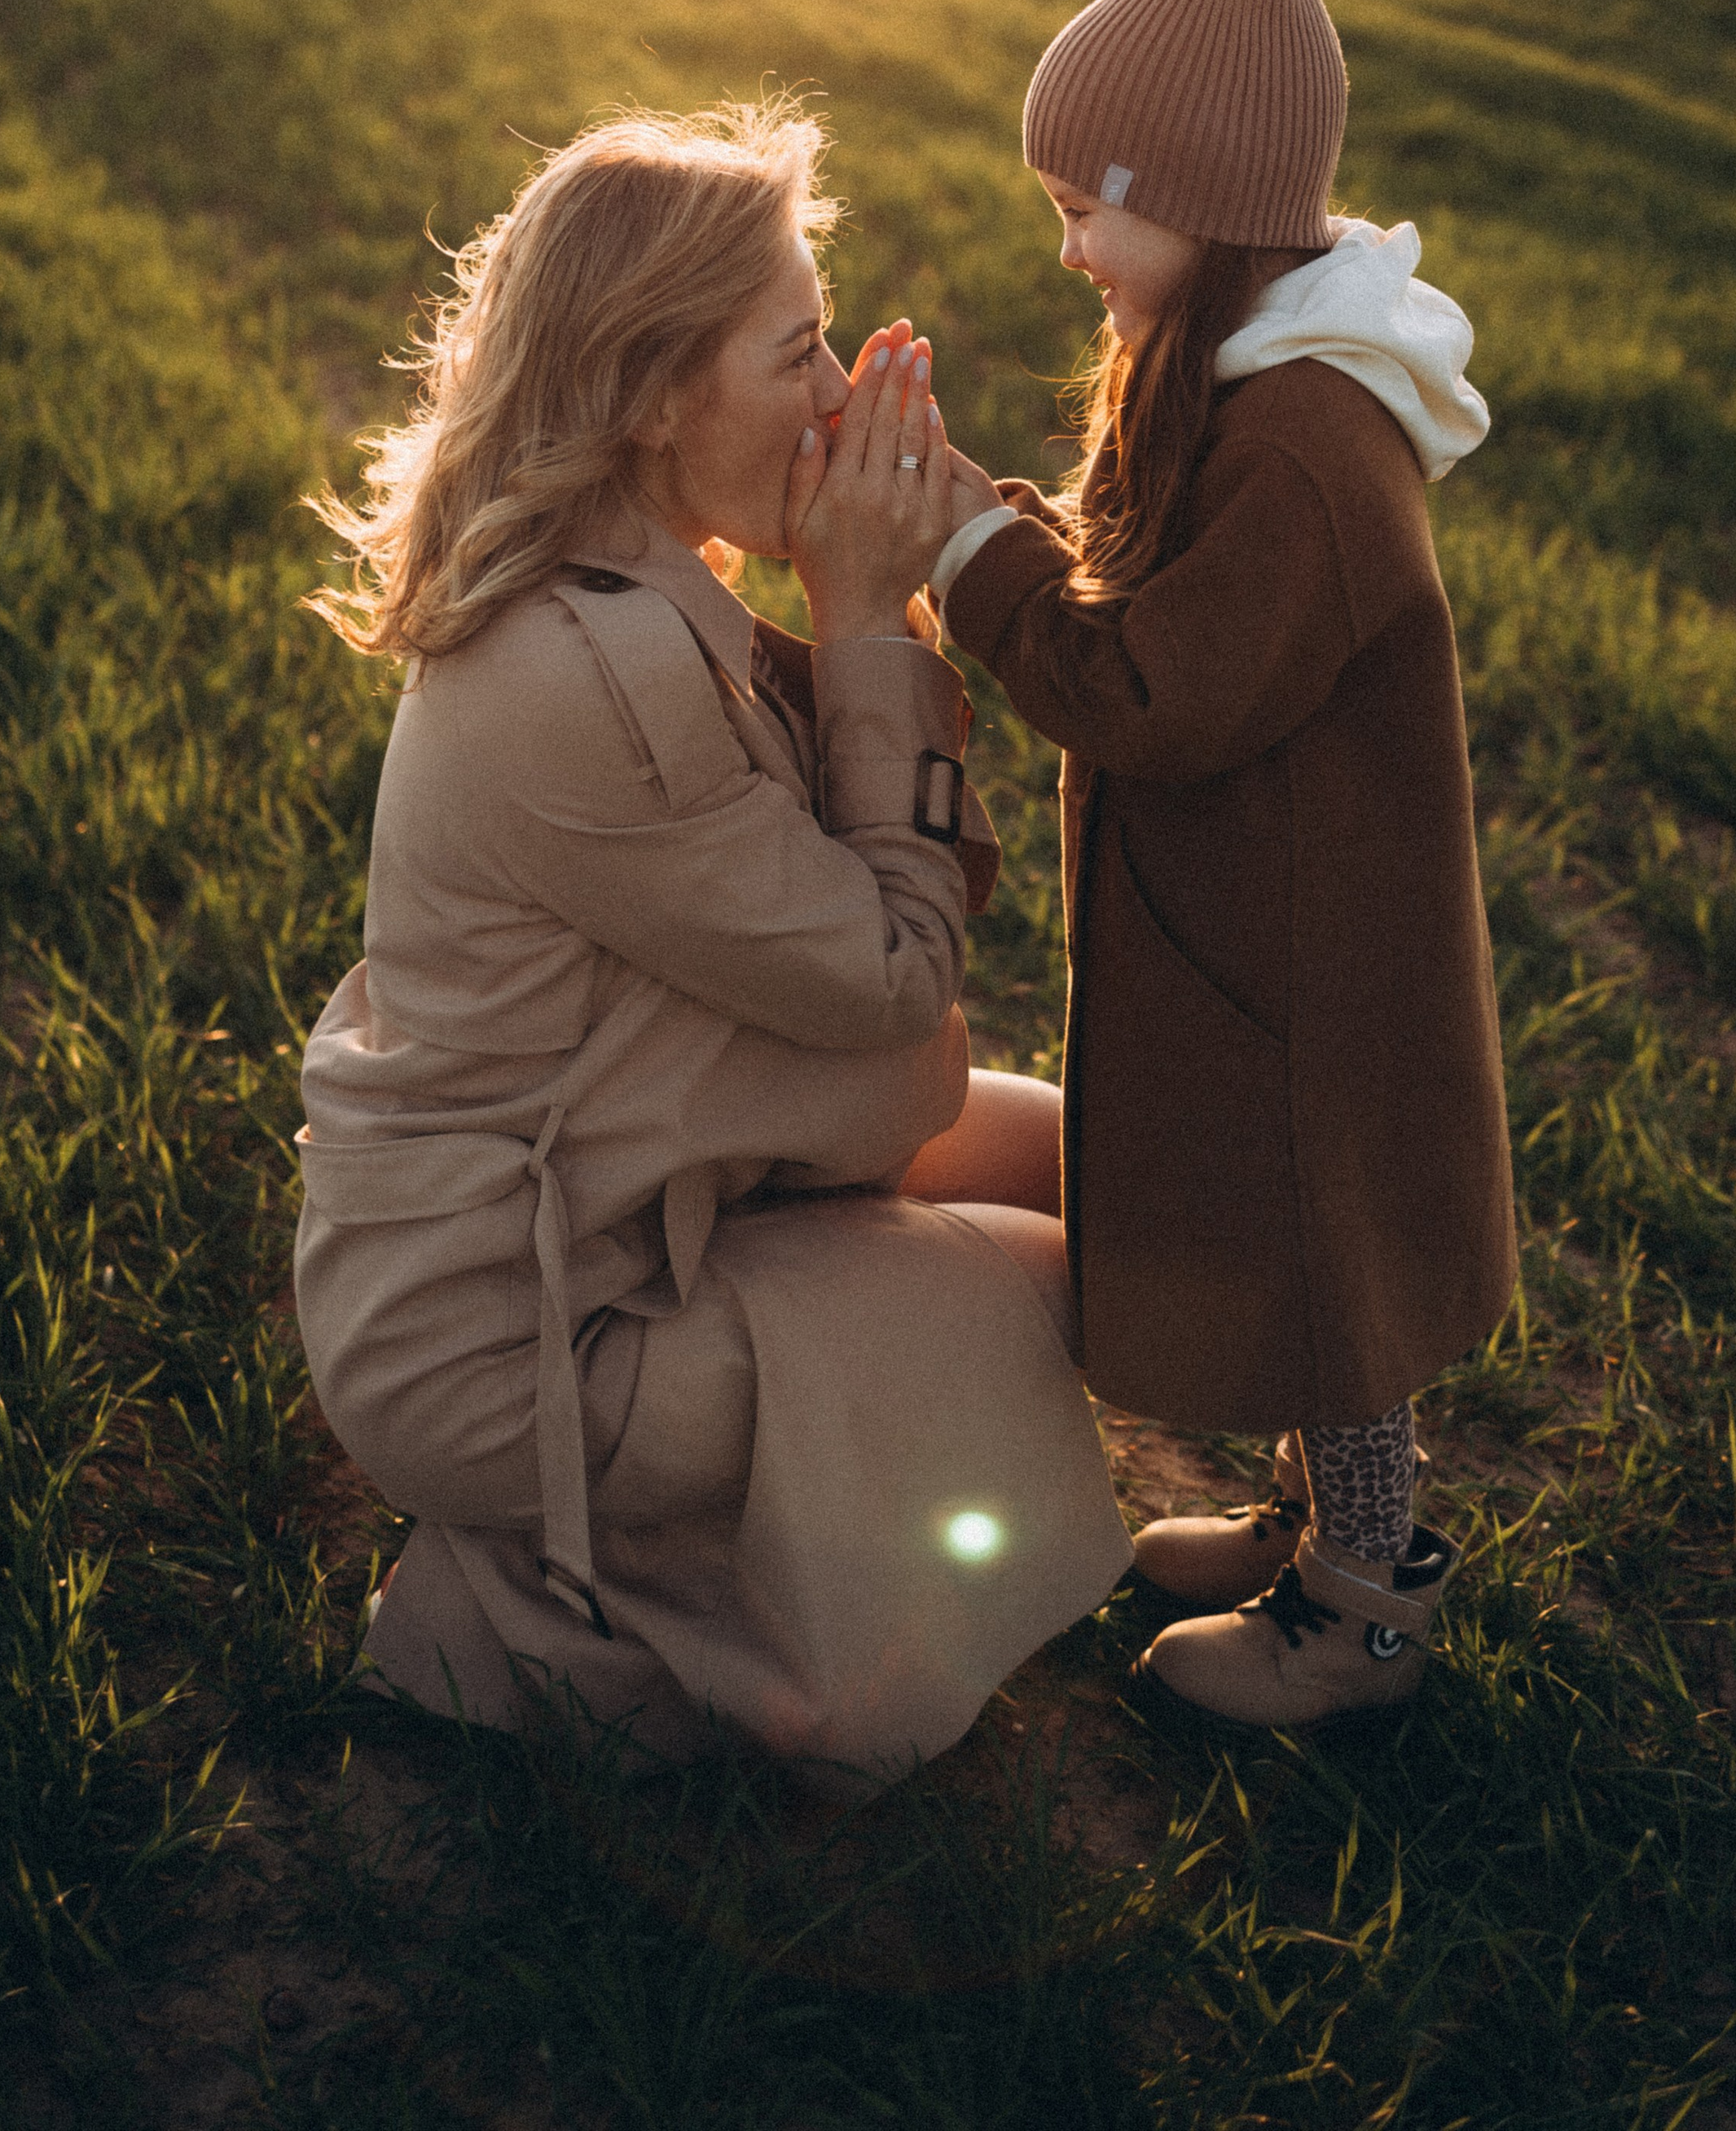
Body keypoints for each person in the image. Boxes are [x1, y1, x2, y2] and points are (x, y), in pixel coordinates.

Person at [292, 98, 1129, 1783]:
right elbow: (891, 984)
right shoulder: (588, 675)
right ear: (654, 392)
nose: (835, 401)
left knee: (1126, 1171)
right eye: (797, 353)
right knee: (1088, 1293)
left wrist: (867, 597)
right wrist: (856, 609)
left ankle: (647, 1569)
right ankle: (609, 1633)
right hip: (517, 1338)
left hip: (632, 1182)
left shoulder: (622, 584)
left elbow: (845, 908)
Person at [928, 0, 1518, 1728]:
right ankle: (1304, 1532)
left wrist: (965, 560)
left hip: (1315, 970)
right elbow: (1129, 604)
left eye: (1081, 208)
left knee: (1333, 1287)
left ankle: (1363, 1598)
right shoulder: (1239, 378)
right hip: (1259, 933)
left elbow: (1155, 688)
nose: (1068, 247)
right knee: (1290, 1256)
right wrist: (989, 526)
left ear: (1186, 193)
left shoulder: (1312, 448)